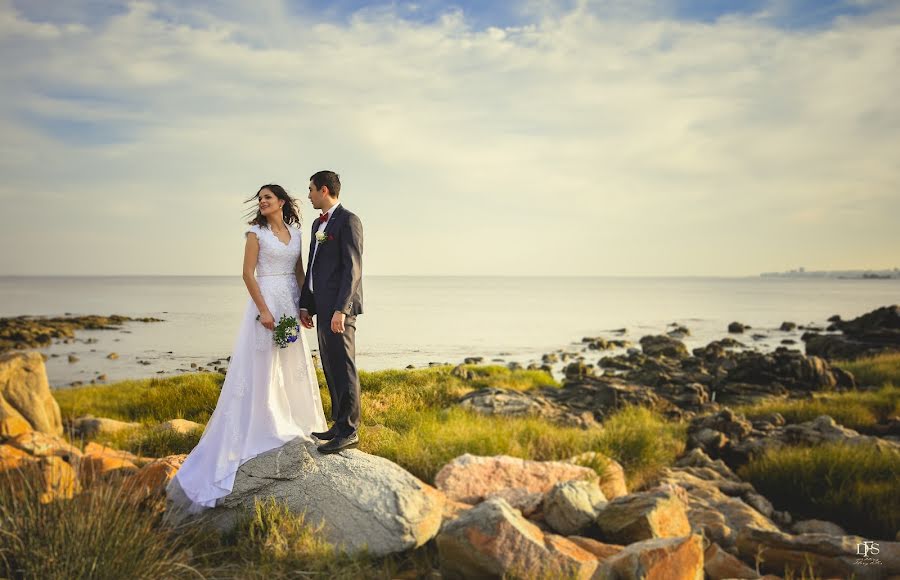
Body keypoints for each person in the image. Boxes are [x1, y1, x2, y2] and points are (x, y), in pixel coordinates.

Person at [168, 184, 327, 512]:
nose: (263, 202)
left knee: (292, 365)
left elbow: (299, 273)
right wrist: (264, 310)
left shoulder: (296, 234)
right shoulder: (254, 234)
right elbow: (247, 274)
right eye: (260, 199)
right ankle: (263, 425)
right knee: (263, 366)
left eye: (268, 197)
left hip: (290, 302)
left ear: (281, 202)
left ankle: (296, 421)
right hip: (265, 302)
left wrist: (304, 307)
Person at [299, 171, 364, 454]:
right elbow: (313, 267)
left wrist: (341, 309)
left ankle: (349, 430)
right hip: (322, 308)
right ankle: (338, 424)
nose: (309, 194)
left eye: (311, 190)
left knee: (344, 367)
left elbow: (353, 270)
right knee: (330, 366)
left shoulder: (348, 220)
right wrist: (306, 304)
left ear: (324, 190)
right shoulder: (317, 223)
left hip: (340, 309)